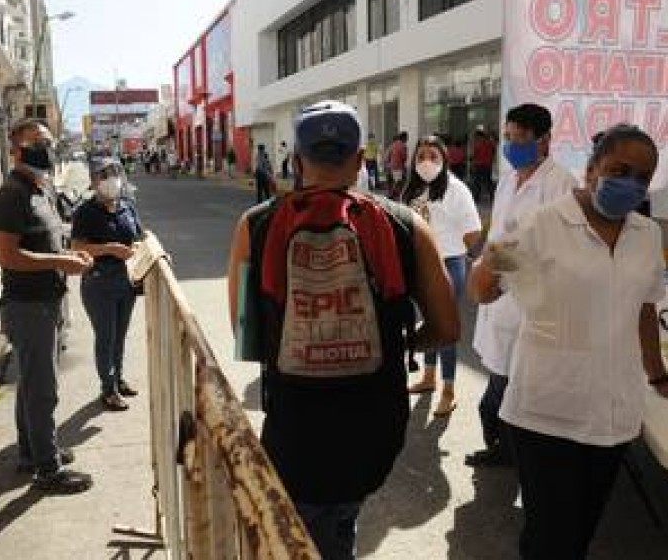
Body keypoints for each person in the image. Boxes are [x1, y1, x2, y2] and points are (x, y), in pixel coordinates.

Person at [227, 101, 459, 559]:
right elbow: (447, 326)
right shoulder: (406, 225)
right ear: (359, 161)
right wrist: (400, 342)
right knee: (340, 519)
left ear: (296, 160)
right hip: (374, 426)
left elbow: (245, 333)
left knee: (303, 534)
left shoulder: (255, 225)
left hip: (295, 425)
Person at [468, 123, 668, 559]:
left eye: (642, 176)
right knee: (551, 539)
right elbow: (482, 291)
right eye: (620, 169)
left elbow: (644, 307)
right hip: (547, 411)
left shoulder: (647, 234)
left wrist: (658, 375)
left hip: (613, 411)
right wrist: (499, 255)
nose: (631, 183)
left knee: (580, 534)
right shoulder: (542, 222)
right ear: (592, 168)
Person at [467, 103, 577, 467]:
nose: (512, 146)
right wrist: (484, 259)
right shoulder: (509, 180)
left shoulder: (561, 185)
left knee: (508, 394)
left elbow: (555, 250)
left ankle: (512, 456)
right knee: (501, 382)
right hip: (499, 299)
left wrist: (496, 267)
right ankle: (507, 451)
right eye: (508, 138)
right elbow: (500, 230)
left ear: (545, 140)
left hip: (530, 305)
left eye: (520, 138)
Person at [0, 118, 94, 494]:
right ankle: (47, 470)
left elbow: (50, 243)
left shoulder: (42, 188)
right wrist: (58, 263)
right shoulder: (11, 194)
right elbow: (6, 255)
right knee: (42, 389)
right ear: (16, 148)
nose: (46, 148)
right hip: (27, 305)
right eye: (37, 141)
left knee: (31, 384)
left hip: (48, 301)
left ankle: (31, 451)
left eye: (48, 141)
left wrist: (71, 257)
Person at [403, 135, 481, 417]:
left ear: (444, 159)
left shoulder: (456, 189)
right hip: (420, 265)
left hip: (449, 264)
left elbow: (472, 232)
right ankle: (428, 377)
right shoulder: (411, 189)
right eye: (421, 155)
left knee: (445, 327)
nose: (426, 161)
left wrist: (470, 257)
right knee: (427, 324)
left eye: (433, 156)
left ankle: (448, 389)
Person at [71, 157, 143, 411]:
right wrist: (109, 249)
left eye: (114, 173)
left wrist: (151, 251)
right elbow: (78, 247)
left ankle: (118, 378)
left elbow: (139, 237)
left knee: (120, 335)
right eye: (104, 175)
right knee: (106, 337)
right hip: (98, 284)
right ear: (93, 181)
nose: (111, 180)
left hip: (126, 281)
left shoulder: (127, 207)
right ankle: (108, 389)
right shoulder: (85, 212)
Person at [471, 129, 496, 201]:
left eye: (476, 136)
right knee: (487, 181)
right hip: (487, 165)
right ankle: (492, 197)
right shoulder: (490, 143)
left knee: (477, 182)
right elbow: (493, 153)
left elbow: (474, 154)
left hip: (479, 164)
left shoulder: (478, 143)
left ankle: (476, 197)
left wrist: (473, 163)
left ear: (479, 136)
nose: (475, 138)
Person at [387, 131, 409, 200]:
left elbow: (387, 156)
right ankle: (393, 195)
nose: (407, 140)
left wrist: (388, 164)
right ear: (404, 138)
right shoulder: (403, 146)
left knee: (396, 181)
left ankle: (392, 194)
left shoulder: (393, 144)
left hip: (391, 166)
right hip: (398, 167)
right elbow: (404, 157)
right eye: (406, 138)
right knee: (399, 182)